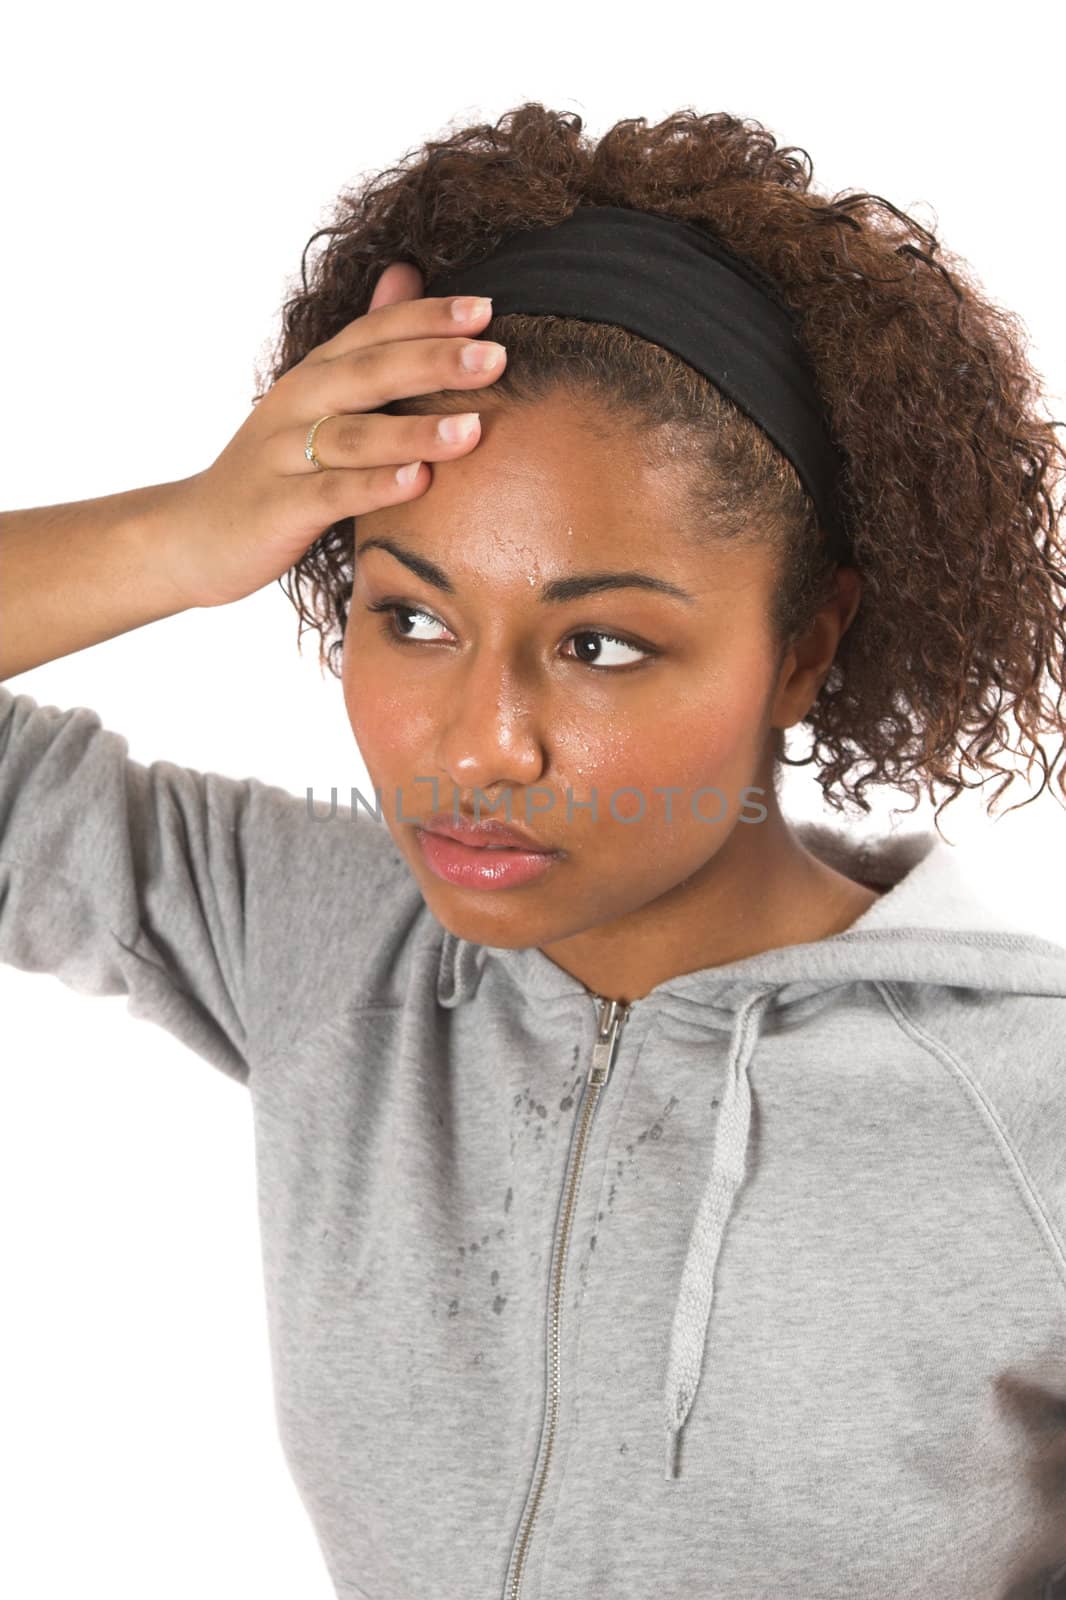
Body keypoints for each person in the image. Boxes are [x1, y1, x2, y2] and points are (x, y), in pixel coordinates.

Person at [2, 102, 1065, 1598]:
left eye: (603, 644)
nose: (476, 746)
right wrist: (178, 535)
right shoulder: (324, 942)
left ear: (805, 644)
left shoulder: (1030, 1114)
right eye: (412, 618)